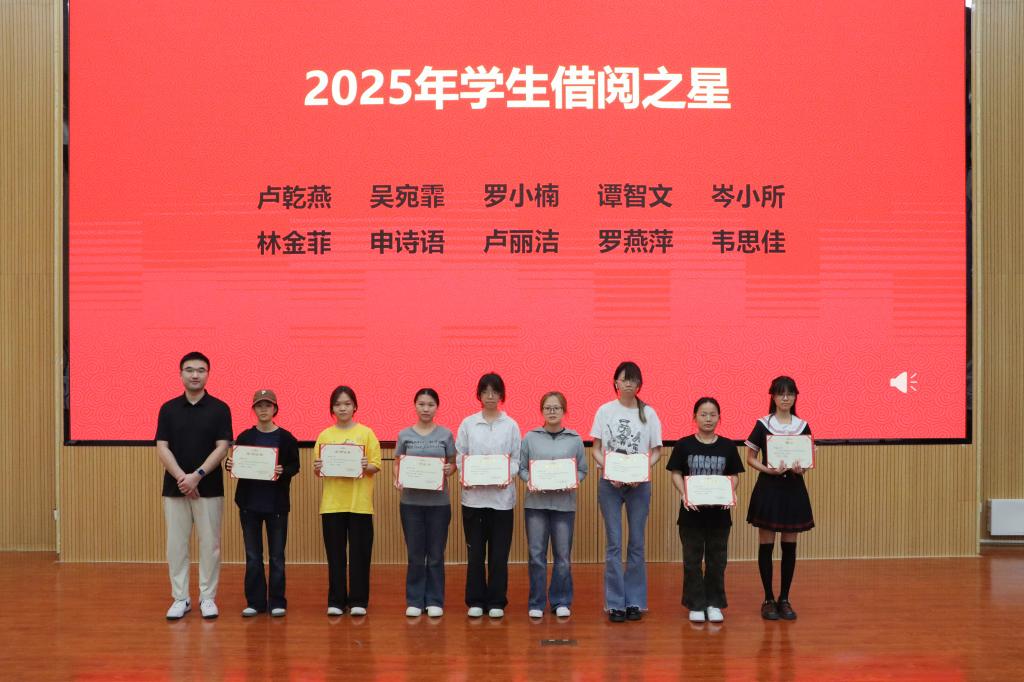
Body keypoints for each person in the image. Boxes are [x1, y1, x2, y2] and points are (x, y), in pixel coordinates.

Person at [155, 351, 233, 620]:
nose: (195, 375)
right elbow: (162, 447)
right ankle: (181, 598)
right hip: (175, 488)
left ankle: (207, 597)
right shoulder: (168, 409)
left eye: (201, 370)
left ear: (208, 374)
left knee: (210, 544)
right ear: (181, 374)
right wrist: (183, 478)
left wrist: (197, 476)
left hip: (209, 488)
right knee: (176, 545)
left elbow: (222, 447)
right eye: (189, 370)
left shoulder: (220, 409)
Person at [590, 361, 662, 623]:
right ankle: (615, 603)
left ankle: (634, 601)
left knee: (637, 543)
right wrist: (610, 470)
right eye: (624, 379)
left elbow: (657, 451)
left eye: (633, 379)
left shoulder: (649, 413)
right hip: (610, 485)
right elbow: (596, 448)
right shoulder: (605, 410)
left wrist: (639, 472)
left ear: (639, 384)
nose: (628, 383)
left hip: (639, 486)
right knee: (613, 543)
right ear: (616, 383)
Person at [666, 397, 744, 623]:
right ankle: (696, 604)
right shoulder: (684, 445)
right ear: (695, 417)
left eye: (712, 414)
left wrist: (731, 491)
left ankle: (714, 604)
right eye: (703, 414)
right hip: (691, 515)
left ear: (719, 418)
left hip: (719, 515)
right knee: (692, 561)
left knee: (717, 561)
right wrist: (684, 493)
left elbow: (733, 476)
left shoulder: (728, 446)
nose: (708, 419)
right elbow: (676, 473)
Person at [745, 375, 815, 621]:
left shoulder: (802, 425)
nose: (785, 398)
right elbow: (750, 457)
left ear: (795, 397)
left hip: (793, 489)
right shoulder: (763, 424)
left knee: (789, 544)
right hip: (769, 488)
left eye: (790, 393)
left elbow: (806, 462)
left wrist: (801, 469)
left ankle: (784, 598)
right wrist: (768, 469)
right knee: (766, 543)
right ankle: (768, 599)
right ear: (773, 396)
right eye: (780, 393)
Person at [225, 389, 300, 617]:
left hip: (276, 506)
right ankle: (255, 602)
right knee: (253, 556)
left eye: (268, 405)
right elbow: (237, 464)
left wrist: (283, 470)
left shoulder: (287, 438)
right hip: (249, 505)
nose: (264, 409)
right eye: (259, 406)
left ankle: (277, 601)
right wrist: (230, 465)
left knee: (277, 557)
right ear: (254, 409)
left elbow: (294, 466)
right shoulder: (245, 437)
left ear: (275, 408)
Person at [455, 373, 521, 619]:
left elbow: (516, 459)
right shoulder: (468, 424)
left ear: (501, 395)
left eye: (495, 391)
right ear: (479, 395)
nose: (490, 396)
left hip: (502, 500)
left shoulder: (511, 425)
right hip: (473, 500)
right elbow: (460, 456)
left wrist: (505, 474)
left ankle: (496, 601)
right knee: (475, 554)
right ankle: (474, 600)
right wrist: (468, 474)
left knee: (499, 554)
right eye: (485, 392)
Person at [313, 386, 382, 617]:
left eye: (347, 404)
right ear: (332, 408)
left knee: (360, 555)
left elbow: (376, 465)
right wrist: (318, 467)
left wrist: (365, 465)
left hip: (359, 504)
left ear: (355, 407)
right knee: (335, 555)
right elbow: (318, 469)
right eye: (338, 404)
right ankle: (336, 600)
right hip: (332, 504)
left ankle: (359, 600)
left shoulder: (367, 433)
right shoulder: (325, 436)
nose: (342, 408)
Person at [519, 391, 587, 619]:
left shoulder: (575, 439)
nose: (552, 411)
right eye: (547, 408)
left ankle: (561, 601)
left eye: (556, 408)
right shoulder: (530, 437)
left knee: (563, 557)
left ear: (564, 410)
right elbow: (522, 468)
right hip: (536, 505)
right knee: (536, 555)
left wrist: (572, 480)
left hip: (564, 505)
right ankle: (536, 602)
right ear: (542, 411)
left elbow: (582, 470)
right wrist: (531, 480)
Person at [394, 388, 456, 618]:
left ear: (437, 407)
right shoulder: (404, 435)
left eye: (430, 404)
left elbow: (453, 463)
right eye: (421, 404)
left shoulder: (446, 434)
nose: (426, 409)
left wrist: (450, 469)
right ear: (415, 406)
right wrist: (397, 478)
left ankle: (435, 600)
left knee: (436, 554)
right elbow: (397, 463)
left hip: (439, 504)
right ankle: (415, 600)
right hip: (411, 503)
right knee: (415, 554)